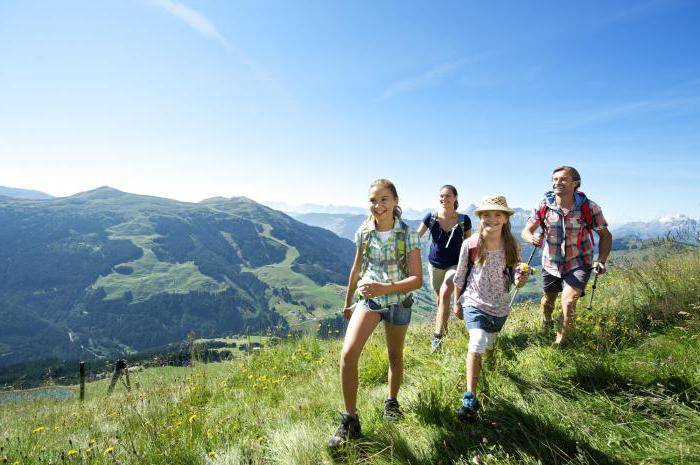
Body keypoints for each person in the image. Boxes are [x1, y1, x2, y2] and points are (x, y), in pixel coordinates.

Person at [328, 179, 422, 449]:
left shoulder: (408, 234)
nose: (378, 205)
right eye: (373, 200)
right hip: (369, 301)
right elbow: (356, 270)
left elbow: (416, 280)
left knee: (395, 355)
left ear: (395, 201)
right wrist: (348, 302)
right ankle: (350, 420)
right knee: (348, 354)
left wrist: (384, 287)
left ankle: (391, 403)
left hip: (399, 301)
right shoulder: (364, 232)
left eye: (383, 199)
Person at [453, 195, 529, 420]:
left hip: (500, 306)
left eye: (498, 214)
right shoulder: (471, 244)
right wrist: (457, 303)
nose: (492, 219)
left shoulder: (511, 245)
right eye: (487, 214)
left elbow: (515, 274)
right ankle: (470, 397)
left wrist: (520, 279)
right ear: (480, 218)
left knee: (488, 345)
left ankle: (490, 366)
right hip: (474, 301)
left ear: (505, 219)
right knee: (476, 342)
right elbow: (460, 275)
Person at [520, 166, 612, 347]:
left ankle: (559, 345)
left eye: (563, 179)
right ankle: (546, 320)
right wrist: (533, 237)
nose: (557, 183)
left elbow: (606, 236)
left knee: (569, 303)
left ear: (575, 183)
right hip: (551, 263)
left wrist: (600, 260)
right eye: (554, 179)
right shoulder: (544, 206)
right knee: (548, 301)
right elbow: (526, 231)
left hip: (580, 261)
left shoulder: (589, 207)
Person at [417, 185, 471, 352]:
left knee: (446, 291)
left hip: (455, 264)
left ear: (455, 198)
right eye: (441, 196)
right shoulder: (431, 217)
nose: (444, 199)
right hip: (434, 264)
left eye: (448, 196)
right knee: (440, 298)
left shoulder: (464, 220)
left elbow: (470, 244)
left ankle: (437, 338)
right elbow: (415, 237)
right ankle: (444, 326)